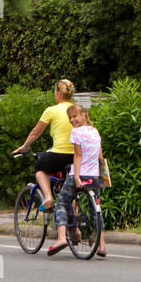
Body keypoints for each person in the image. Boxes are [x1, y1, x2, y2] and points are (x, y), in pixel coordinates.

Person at [47, 103, 107, 258]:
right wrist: (103, 177)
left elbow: (78, 155)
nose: (72, 120)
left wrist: (78, 177)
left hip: (78, 175)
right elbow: (100, 156)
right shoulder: (95, 132)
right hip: (94, 176)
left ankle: (61, 239)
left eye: (74, 116)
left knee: (61, 202)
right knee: (96, 210)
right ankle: (101, 246)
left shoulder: (76, 133)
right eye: (70, 118)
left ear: (83, 115)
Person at [13, 79, 76, 211]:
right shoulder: (77, 110)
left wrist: (24, 147)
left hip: (60, 153)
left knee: (40, 167)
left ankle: (48, 198)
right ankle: (74, 226)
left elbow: (36, 132)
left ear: (58, 93)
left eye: (54, 91)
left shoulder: (52, 110)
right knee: (71, 189)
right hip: (77, 155)